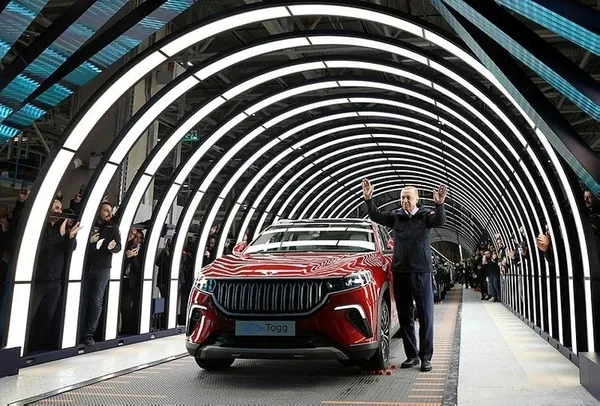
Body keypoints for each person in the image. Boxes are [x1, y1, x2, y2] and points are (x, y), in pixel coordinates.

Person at [362, 179, 447, 373]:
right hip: (400, 272)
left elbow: (440, 221)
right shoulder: (396, 216)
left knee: (426, 316)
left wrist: (439, 204)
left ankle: (426, 358)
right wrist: (368, 200)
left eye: (408, 197)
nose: (404, 201)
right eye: (402, 198)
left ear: (416, 199)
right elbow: (376, 216)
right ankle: (412, 356)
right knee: (405, 316)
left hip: (421, 272)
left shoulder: (425, 216)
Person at [28, 199, 81, 351]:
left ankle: (39, 348)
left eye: (60, 208)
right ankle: (26, 346)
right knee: (31, 316)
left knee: (47, 317)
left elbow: (70, 249)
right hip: (37, 280)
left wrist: (70, 237)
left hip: (55, 281)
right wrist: (60, 235)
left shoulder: (61, 228)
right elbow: (41, 246)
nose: (59, 211)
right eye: (56, 207)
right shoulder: (39, 226)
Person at [79, 202, 121, 346]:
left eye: (110, 211)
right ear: (99, 211)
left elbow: (119, 246)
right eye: (106, 211)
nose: (109, 214)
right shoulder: (90, 224)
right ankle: (79, 330)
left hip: (102, 268)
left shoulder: (113, 227)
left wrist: (112, 248)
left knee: (96, 300)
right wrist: (90, 242)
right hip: (86, 266)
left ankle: (89, 333)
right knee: (83, 299)